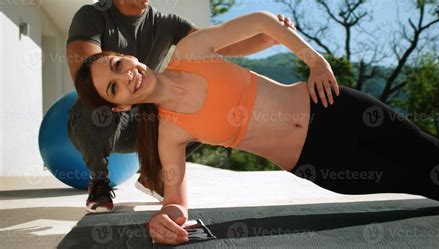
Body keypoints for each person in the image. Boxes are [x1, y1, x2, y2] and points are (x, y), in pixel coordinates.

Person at [73, 11, 439, 245]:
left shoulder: (191, 52)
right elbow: (177, 197)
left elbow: (263, 21)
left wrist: (313, 59)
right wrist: (167, 218)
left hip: (334, 106)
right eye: (114, 88)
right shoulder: (169, 133)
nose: (125, 78)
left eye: (117, 66)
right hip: (322, 162)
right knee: (431, 183)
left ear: (126, 57)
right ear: (120, 105)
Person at [66, 0, 296, 212]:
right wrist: (122, 90)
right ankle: (99, 181)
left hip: (147, 121)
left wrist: (267, 38)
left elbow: (222, 46)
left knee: (191, 100)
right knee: (94, 104)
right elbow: (86, 79)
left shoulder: (167, 23)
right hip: (107, 117)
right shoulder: (93, 16)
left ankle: (154, 176)